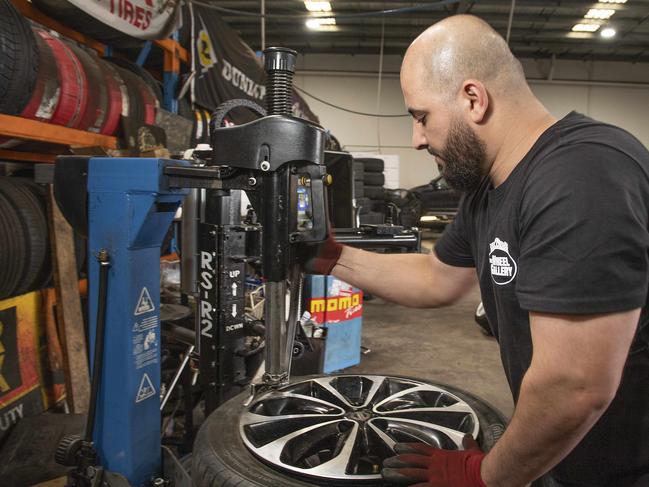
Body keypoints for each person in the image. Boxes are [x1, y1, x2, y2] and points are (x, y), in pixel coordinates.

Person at [307, 14, 649, 487]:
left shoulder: (582, 175)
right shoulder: (488, 190)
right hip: (562, 453)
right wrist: (334, 258)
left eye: (421, 116)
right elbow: (436, 276)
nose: (417, 138)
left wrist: (486, 476)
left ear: (473, 98)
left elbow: (574, 386)